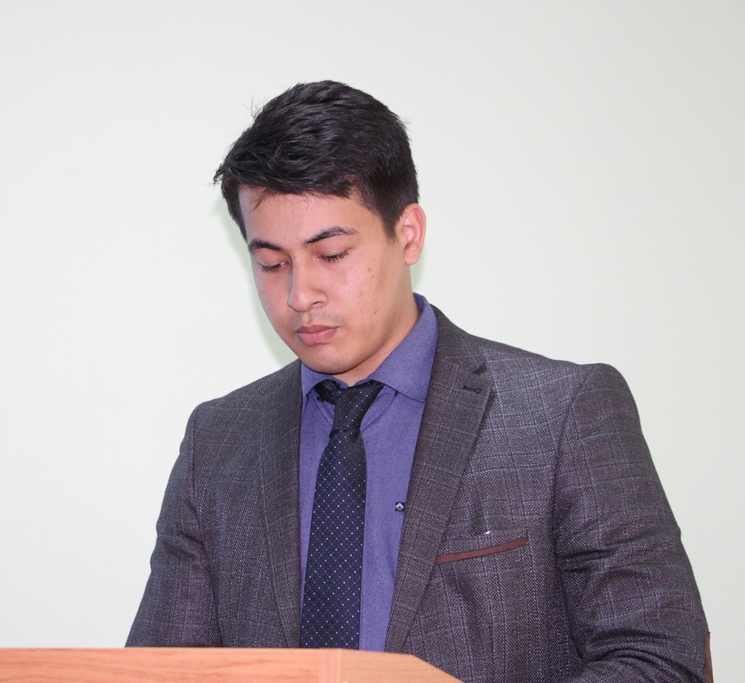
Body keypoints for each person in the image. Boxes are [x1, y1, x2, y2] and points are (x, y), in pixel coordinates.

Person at [126, 81, 710, 683]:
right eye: (272, 263)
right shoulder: (218, 442)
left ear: (408, 233)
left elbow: (661, 661)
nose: (300, 295)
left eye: (331, 255)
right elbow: (160, 673)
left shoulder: (561, 415)